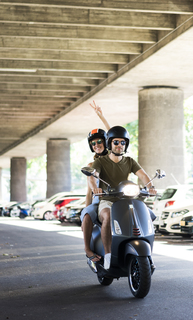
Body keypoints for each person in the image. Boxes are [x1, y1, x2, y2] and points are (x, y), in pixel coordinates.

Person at [88, 125, 157, 270]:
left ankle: (147, 253)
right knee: (107, 215)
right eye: (116, 142)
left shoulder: (130, 161)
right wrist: (95, 187)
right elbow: (93, 175)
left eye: (123, 142)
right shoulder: (101, 162)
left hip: (127, 199)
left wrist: (150, 187)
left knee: (149, 215)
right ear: (110, 144)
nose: (120, 145)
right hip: (108, 199)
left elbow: (143, 175)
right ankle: (107, 254)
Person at [81, 101, 110, 263]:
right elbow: (89, 192)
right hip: (100, 201)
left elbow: (115, 135)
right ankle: (88, 250)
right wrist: (87, 208)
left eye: (99, 141)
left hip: (119, 197)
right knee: (87, 216)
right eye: (93, 143)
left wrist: (101, 116)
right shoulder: (91, 166)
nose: (97, 145)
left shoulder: (114, 158)